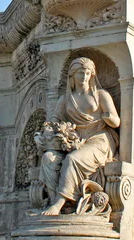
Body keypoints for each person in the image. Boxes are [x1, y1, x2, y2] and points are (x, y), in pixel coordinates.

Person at [40, 57, 120, 215]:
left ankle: (59, 202)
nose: (84, 77)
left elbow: (116, 122)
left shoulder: (101, 95)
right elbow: (54, 121)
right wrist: (48, 132)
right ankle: (58, 201)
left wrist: (108, 117)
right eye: (80, 73)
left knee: (72, 159)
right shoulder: (65, 99)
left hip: (99, 138)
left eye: (88, 73)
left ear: (92, 75)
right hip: (75, 140)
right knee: (48, 158)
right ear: (72, 75)